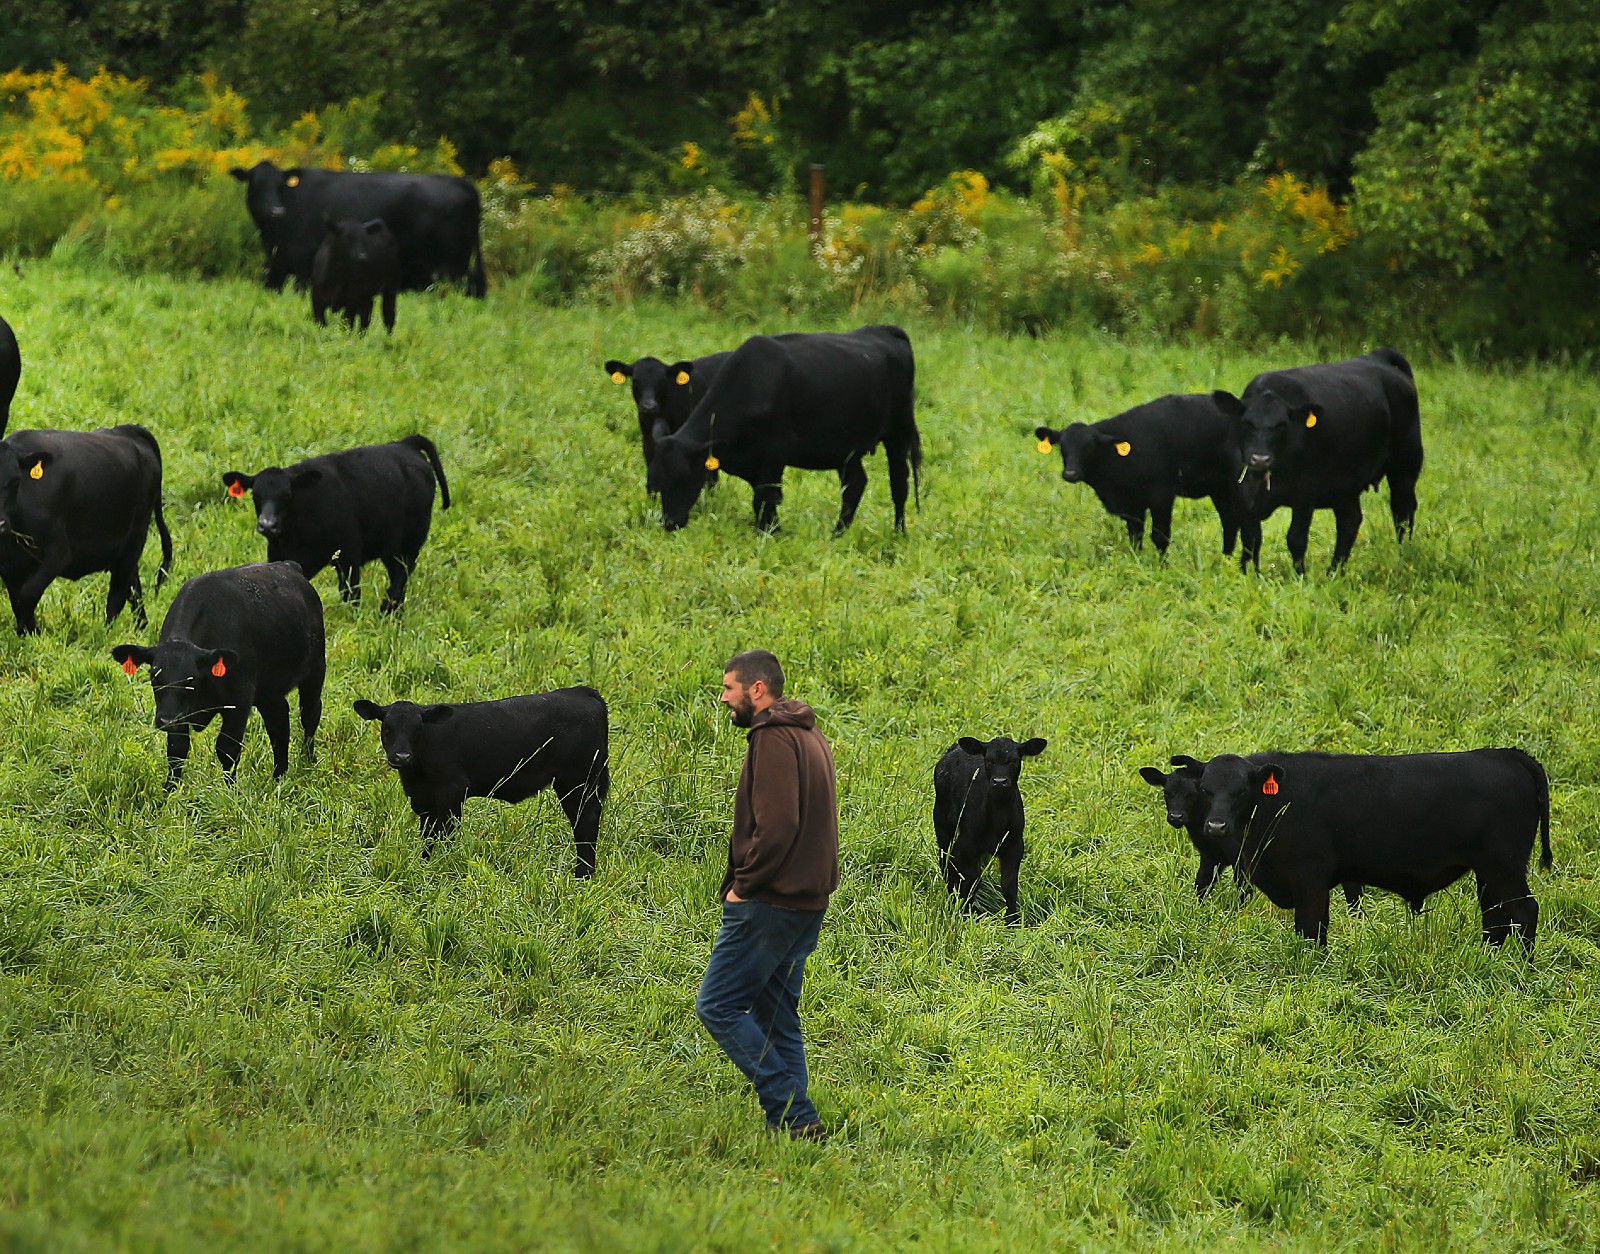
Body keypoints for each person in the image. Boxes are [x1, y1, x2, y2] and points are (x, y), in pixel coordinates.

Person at [695, 648, 840, 1142]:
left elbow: (778, 826)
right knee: (777, 1014)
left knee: (717, 1005)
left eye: (729, 687)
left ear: (757, 689)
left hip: (770, 902)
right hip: (806, 900)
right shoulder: (809, 733)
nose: (724, 697)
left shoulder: (774, 738)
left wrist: (743, 886)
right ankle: (800, 1126)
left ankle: (789, 1104)